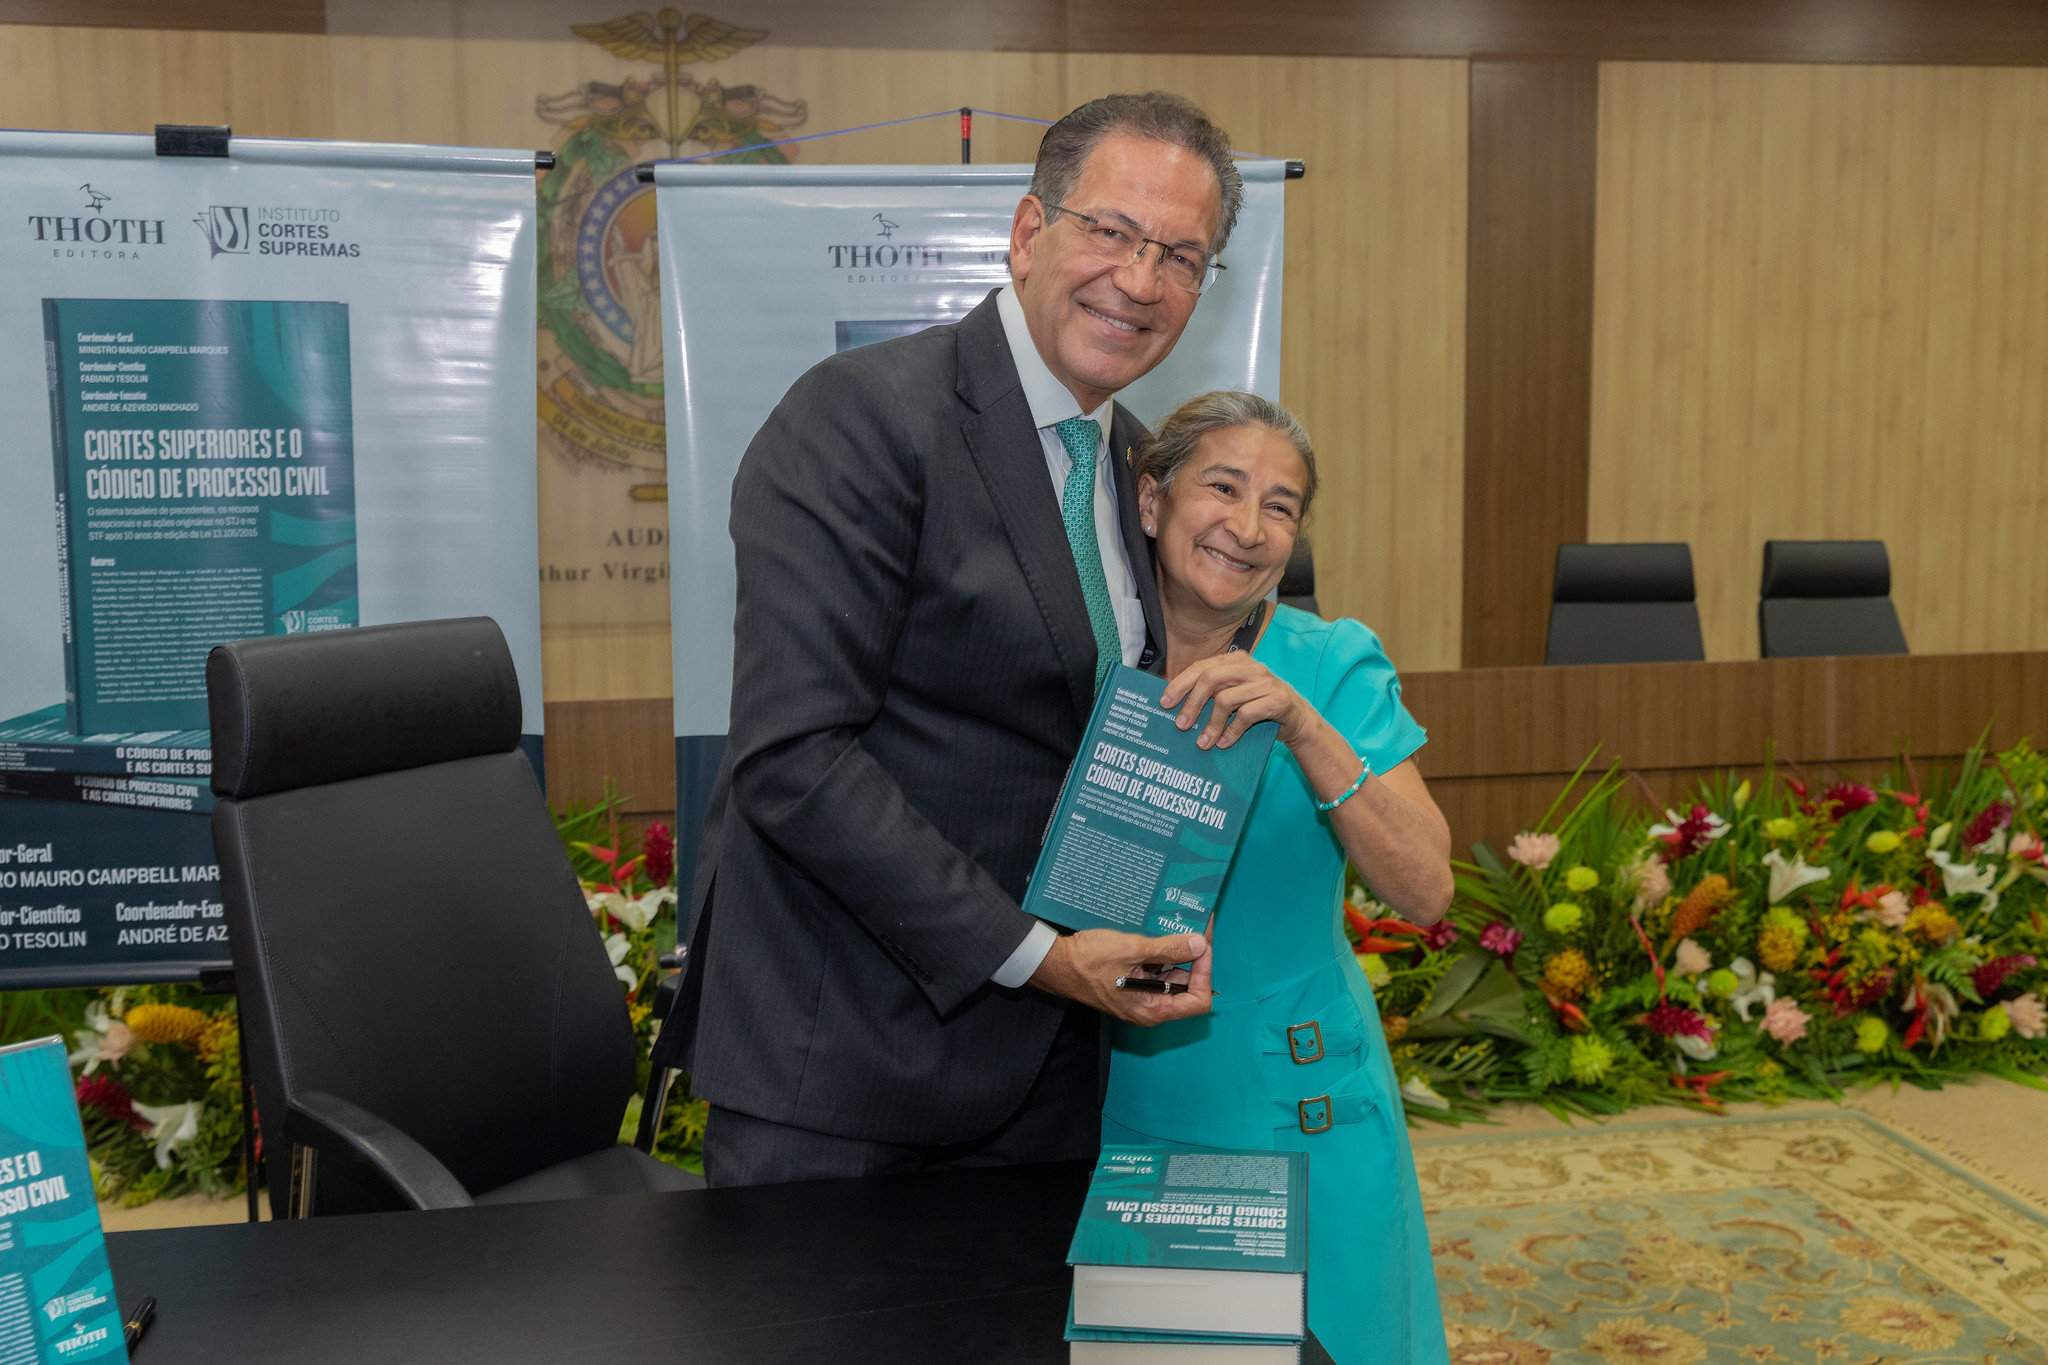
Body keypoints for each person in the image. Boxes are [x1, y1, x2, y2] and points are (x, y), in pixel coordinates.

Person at [657, 92, 1244, 1185]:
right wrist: (1037, 960)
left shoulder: (1115, 465)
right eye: (1110, 231)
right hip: (845, 1077)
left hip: (1044, 1074)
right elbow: (794, 759)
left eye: (1179, 254)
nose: (1139, 279)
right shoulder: (860, 417)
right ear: (1029, 233)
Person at [1107, 390, 1454, 1365]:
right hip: (1123, 1097)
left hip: (1300, 1105)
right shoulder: (1080, 652)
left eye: (1280, 505)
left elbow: (1426, 891)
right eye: (1222, 487)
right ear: (1150, 500)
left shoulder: (1329, 662)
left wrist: (1303, 727)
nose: (1247, 527)